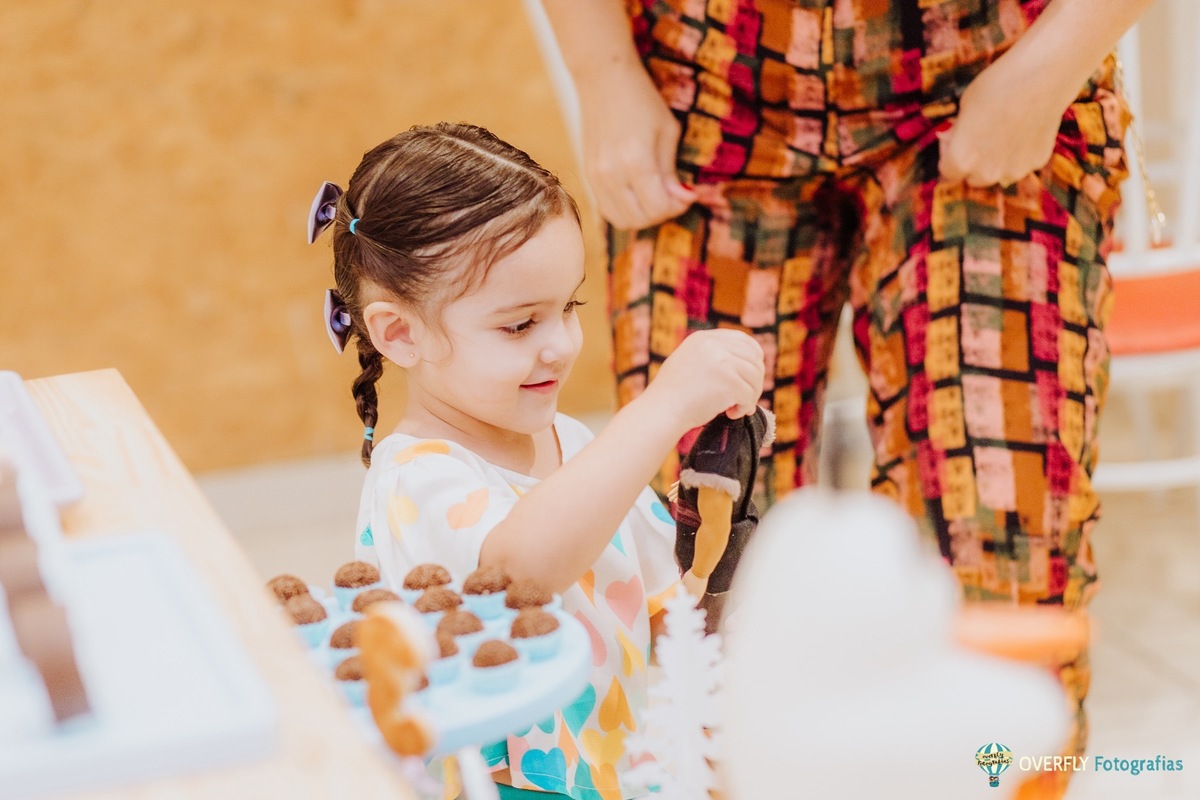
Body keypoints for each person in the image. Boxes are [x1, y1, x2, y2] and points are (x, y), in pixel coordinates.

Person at [538, 1, 1153, 796]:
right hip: (710, 80)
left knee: (1003, 562)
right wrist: (606, 73)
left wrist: (1050, 66)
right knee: (701, 586)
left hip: (987, 59)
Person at [308, 122, 764, 800]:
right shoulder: (417, 476)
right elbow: (520, 569)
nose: (559, 345)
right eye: (521, 324)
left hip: (626, 767)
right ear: (401, 334)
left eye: (569, 307)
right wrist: (660, 408)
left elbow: (663, 597)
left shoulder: (571, 443)